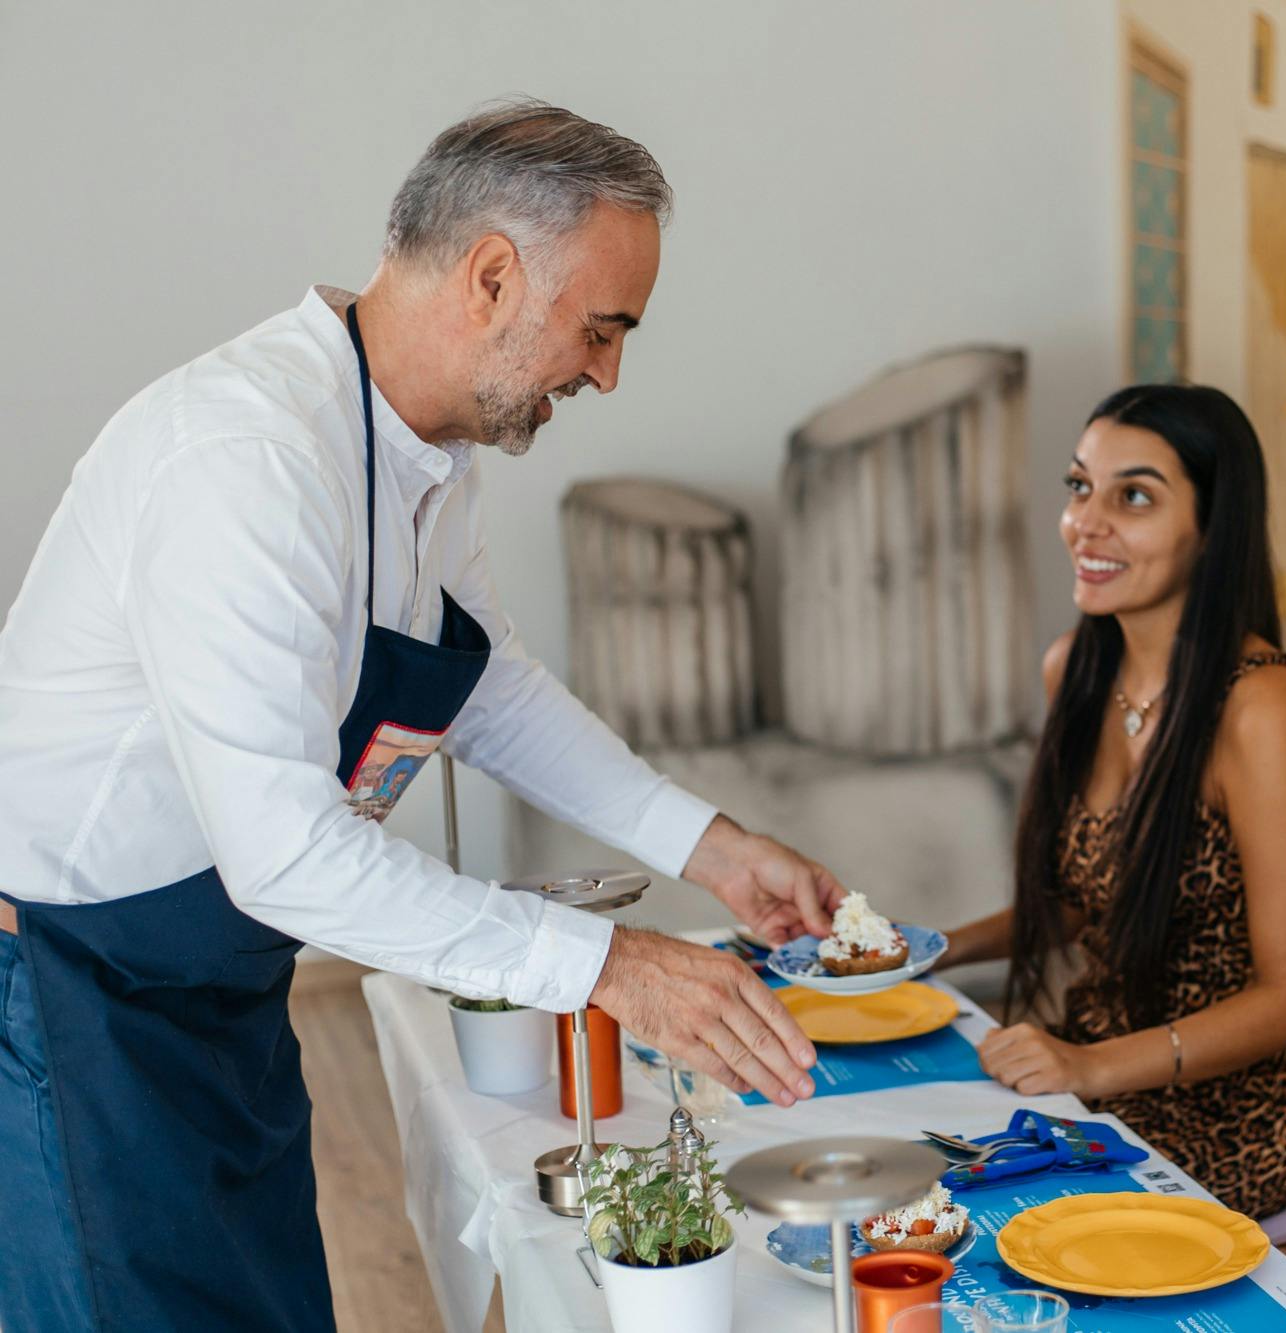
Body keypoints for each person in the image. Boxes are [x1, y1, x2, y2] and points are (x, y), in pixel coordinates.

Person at [0, 100, 838, 1332]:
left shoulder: (423, 455)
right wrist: (607, 968)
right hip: (78, 995)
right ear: (493, 275)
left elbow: (488, 685)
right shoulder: (245, 458)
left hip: (217, 983)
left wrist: (711, 850)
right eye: (600, 329)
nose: (605, 371)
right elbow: (283, 848)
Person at [949, 384, 1286, 1219]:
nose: (1086, 522)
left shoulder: (1260, 705)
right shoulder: (1077, 669)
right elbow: (1070, 908)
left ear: (1210, 527)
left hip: (1228, 1119)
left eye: (1133, 497)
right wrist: (919, 950)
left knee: (974, 1223)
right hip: (1093, 1086)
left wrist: (1088, 1068)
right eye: (1079, 486)